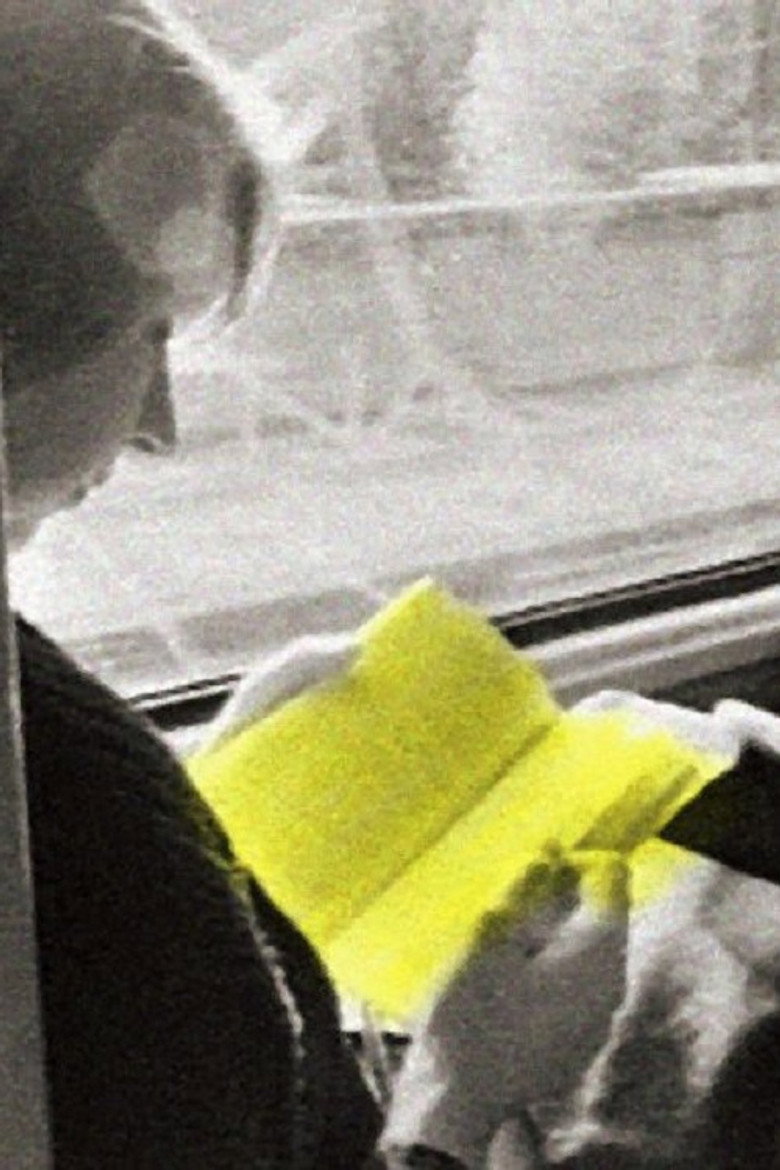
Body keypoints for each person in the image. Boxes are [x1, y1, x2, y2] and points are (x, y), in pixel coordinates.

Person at [1, 3, 635, 1168]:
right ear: (22, 312)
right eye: (152, 335)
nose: (159, 425)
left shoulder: (56, 760)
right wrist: (464, 1087)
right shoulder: (89, 843)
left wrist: (201, 797)